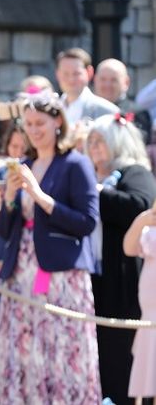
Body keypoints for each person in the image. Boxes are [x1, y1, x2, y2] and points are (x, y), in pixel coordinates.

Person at [0, 93, 101, 403]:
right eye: (28, 124)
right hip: (21, 271)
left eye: (40, 123)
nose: (34, 129)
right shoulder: (24, 164)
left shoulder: (75, 163)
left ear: (58, 122)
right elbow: (4, 228)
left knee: (60, 348)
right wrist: (11, 199)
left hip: (61, 275)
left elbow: (87, 222)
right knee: (24, 347)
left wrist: (41, 198)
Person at [86, 113, 156, 405]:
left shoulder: (134, 172)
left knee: (120, 353)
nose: (95, 147)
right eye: (91, 141)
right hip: (98, 276)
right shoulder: (93, 175)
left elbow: (140, 205)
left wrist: (97, 194)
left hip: (124, 278)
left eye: (101, 141)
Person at [122, 209, 156, 403]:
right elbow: (129, 248)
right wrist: (141, 221)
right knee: (145, 377)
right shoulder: (151, 224)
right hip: (149, 316)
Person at [93, 58, 152, 143]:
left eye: (114, 80)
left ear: (126, 82)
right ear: (95, 80)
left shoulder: (138, 113)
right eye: (103, 79)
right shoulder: (88, 110)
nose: (107, 85)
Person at [55, 47, 118, 125]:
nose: (71, 79)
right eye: (65, 74)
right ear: (58, 74)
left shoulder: (108, 111)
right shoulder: (52, 109)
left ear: (89, 72)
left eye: (76, 73)